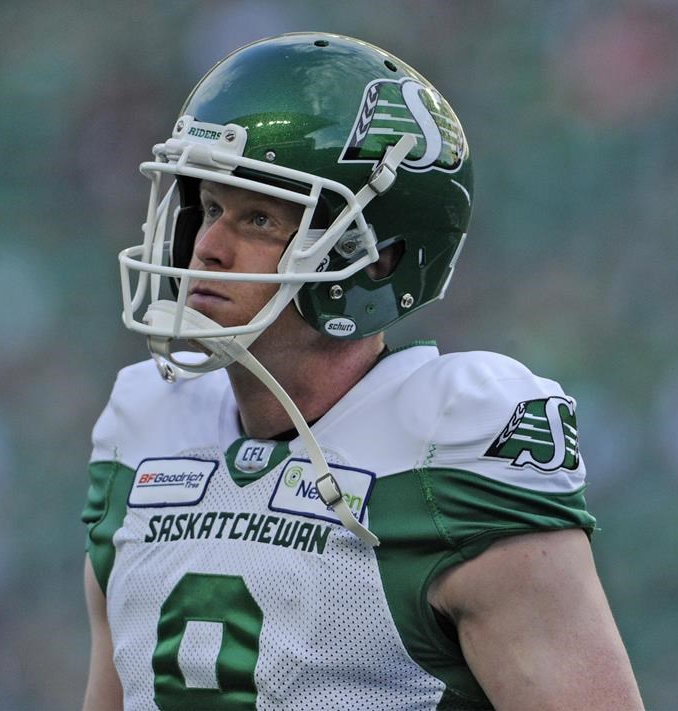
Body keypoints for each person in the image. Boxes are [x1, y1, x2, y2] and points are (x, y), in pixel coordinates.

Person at [82, 32, 643, 710]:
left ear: (377, 261)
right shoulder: (141, 430)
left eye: (258, 217)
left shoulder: (448, 449)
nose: (208, 246)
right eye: (209, 208)